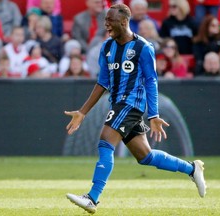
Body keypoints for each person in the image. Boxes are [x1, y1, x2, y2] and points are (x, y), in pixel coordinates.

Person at [65, 3, 206, 214]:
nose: (106, 25)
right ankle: (192, 168)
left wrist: (154, 114)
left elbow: (151, 81)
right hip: (118, 104)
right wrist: (83, 111)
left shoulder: (143, 48)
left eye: (110, 21)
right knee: (145, 156)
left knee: (105, 141)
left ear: (124, 22)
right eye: (105, 20)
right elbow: (102, 83)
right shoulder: (106, 47)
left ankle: (92, 198)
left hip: (131, 104)